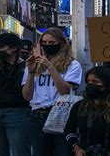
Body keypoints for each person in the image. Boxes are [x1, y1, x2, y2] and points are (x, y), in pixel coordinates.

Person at [22, 28, 82, 156]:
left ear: (61, 44)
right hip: (37, 115)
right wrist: (31, 72)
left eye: (52, 43)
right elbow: (27, 96)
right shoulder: (33, 63)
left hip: (61, 114)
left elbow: (65, 91)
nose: (47, 46)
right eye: (44, 43)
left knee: (63, 152)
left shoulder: (72, 65)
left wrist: (50, 66)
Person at [0, 33, 31, 156]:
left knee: (20, 151)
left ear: (13, 48)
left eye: (0, 47)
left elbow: (20, 92)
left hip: (17, 113)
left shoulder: (26, 68)